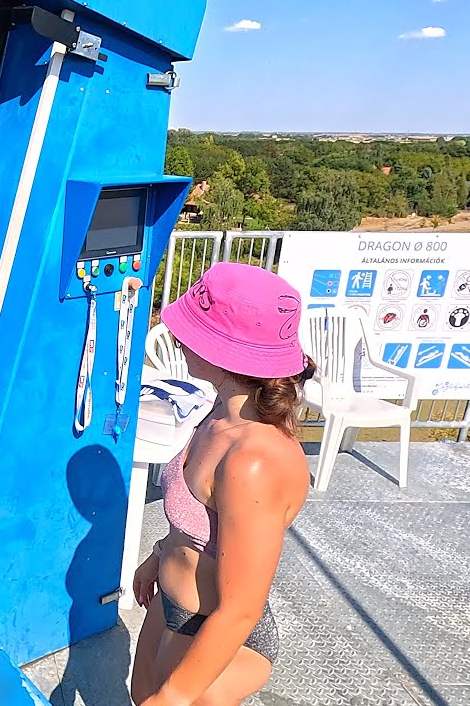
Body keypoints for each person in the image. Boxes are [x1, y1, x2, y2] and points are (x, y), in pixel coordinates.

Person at [130, 263, 315, 706]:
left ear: (230, 352)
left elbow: (240, 610)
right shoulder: (220, 410)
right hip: (173, 604)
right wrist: (160, 553)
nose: (175, 337)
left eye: (191, 329)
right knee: (140, 695)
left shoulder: (253, 462)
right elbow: (203, 524)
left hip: (216, 628)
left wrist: (175, 698)